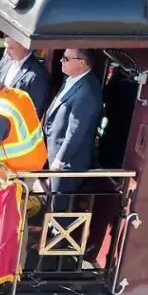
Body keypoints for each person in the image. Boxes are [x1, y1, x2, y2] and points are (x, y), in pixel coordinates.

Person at [44, 48, 103, 203]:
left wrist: (60, 160)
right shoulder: (72, 79)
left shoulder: (87, 92)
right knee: (49, 200)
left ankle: (57, 228)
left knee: (59, 208)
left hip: (67, 163)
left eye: (66, 59)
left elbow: (76, 132)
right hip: (53, 152)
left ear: (82, 63)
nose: (61, 61)